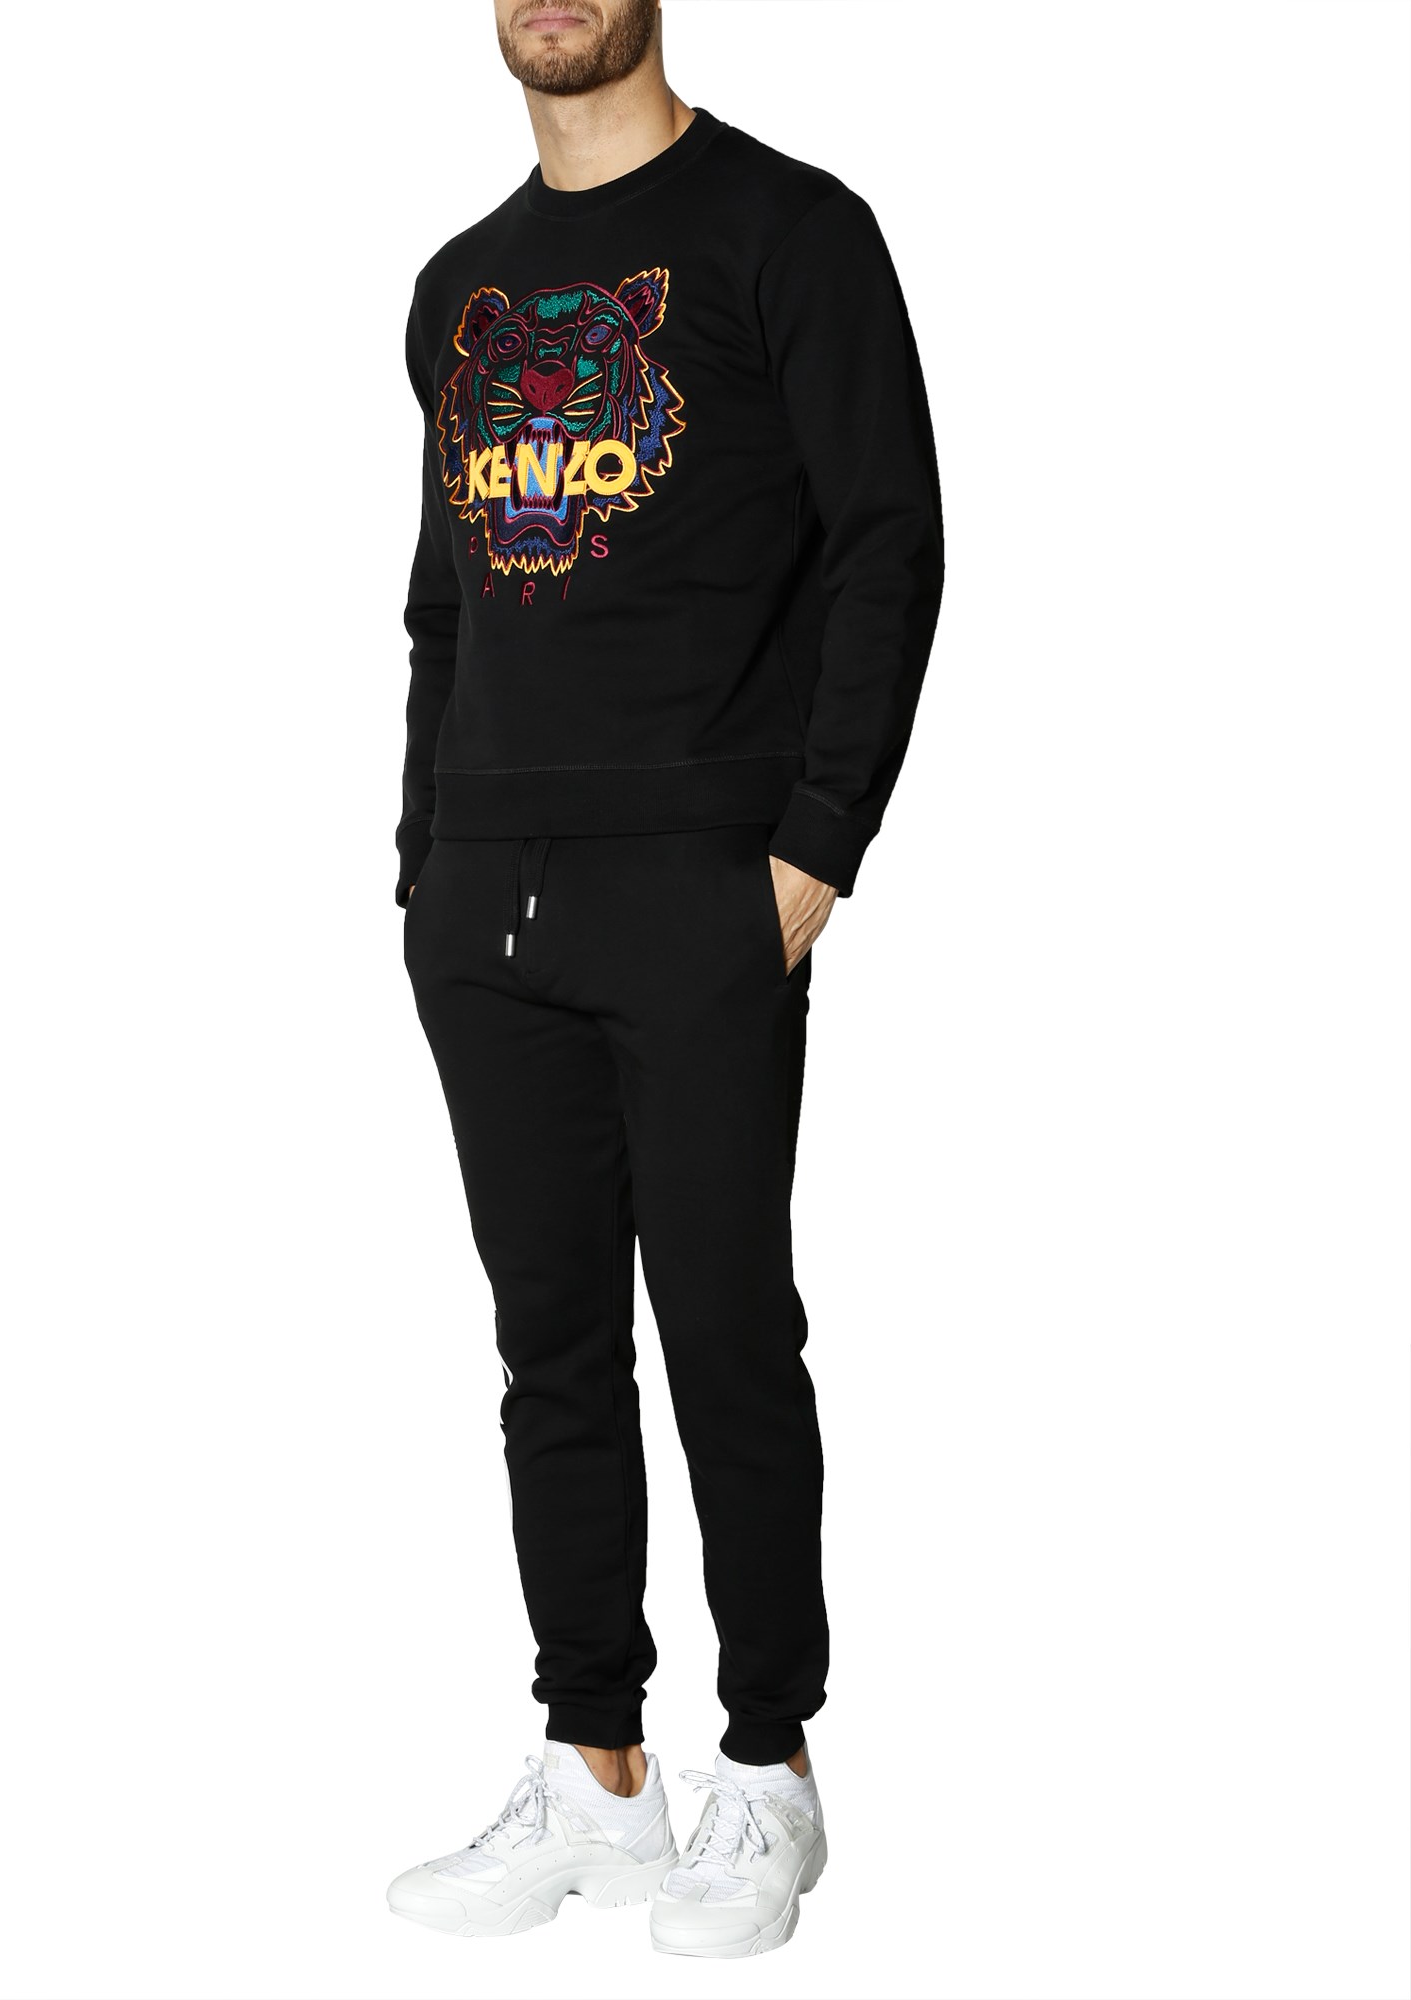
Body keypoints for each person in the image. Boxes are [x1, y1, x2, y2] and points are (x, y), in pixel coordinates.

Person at [385, 0, 942, 1959]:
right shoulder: (457, 288)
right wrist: (423, 859)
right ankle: (597, 1765)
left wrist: (812, 849)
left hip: (700, 886)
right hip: (489, 902)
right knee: (548, 1351)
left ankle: (769, 1768)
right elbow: (443, 596)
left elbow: (890, 543)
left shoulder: (791, 232)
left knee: (725, 1331)